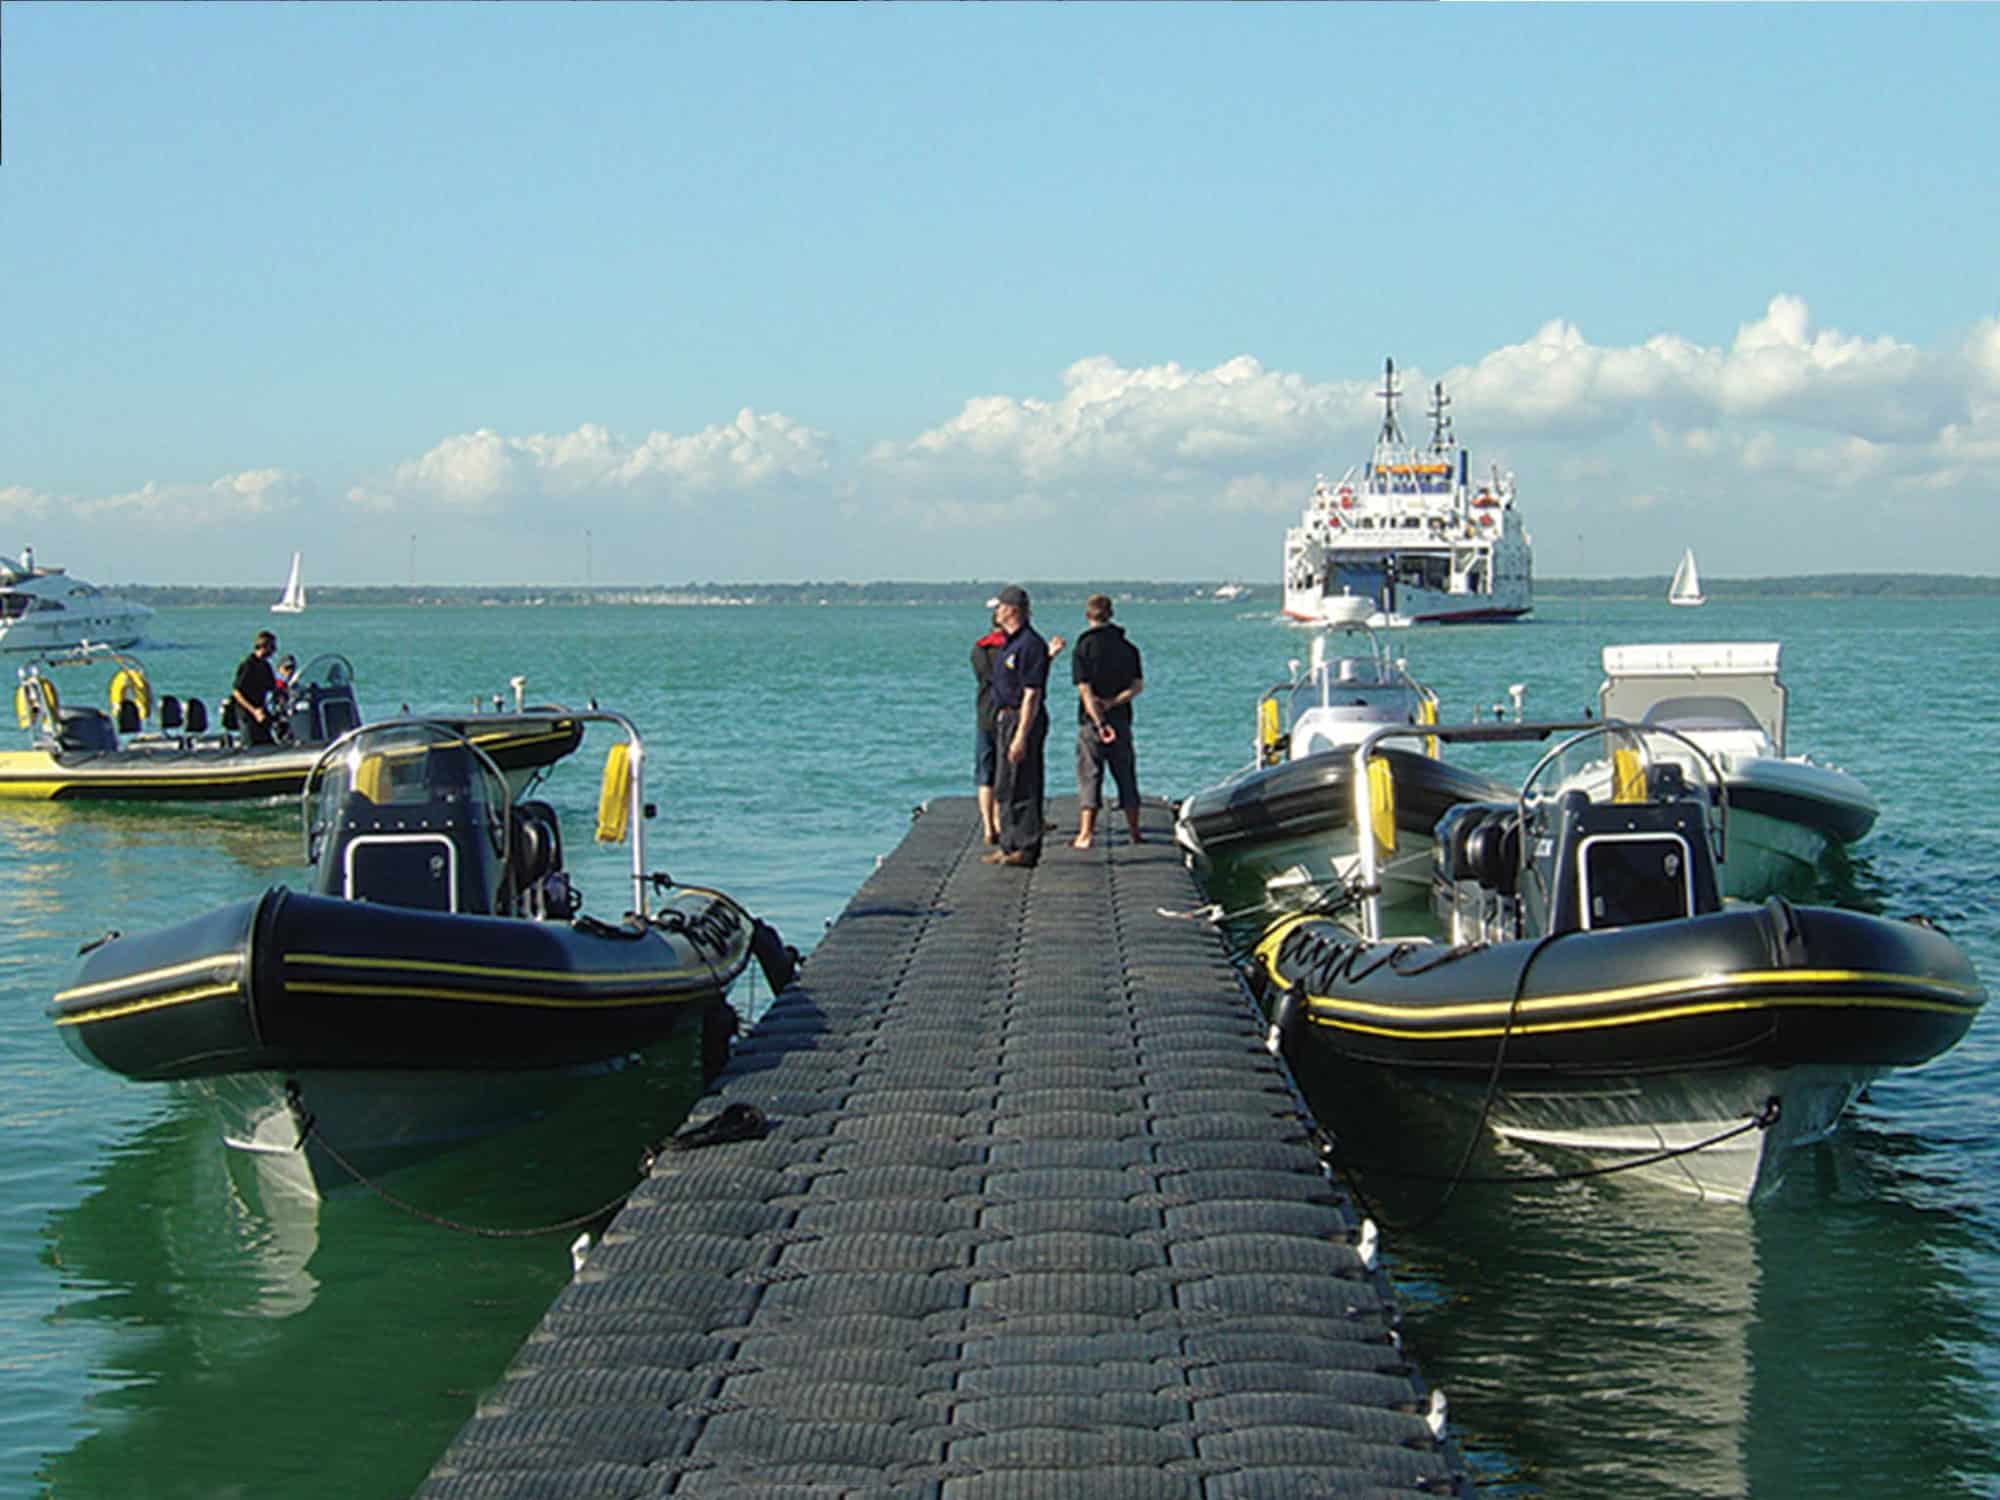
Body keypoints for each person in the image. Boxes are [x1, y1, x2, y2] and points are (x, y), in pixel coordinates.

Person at [973, 605, 1065, 846]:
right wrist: (1048, 658)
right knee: (1004, 778)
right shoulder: (1007, 647)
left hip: (1002, 716)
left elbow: (1028, 685)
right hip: (998, 716)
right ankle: (1002, 831)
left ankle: (1003, 831)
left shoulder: (1012, 646)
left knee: (1004, 777)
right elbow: (1018, 679)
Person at [1069, 593, 1145, 848]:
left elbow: (1085, 690)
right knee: (1125, 774)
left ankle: (1086, 834)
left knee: (1090, 773)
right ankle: (1134, 831)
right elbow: (1137, 686)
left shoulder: (1083, 647)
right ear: (1111, 614)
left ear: (1088, 615)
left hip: (1091, 721)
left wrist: (1099, 721)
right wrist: (1114, 703)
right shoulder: (1128, 648)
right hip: (1121, 718)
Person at [983, 585, 1050, 868]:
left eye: (999, 608)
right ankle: (1008, 843)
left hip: (1024, 717)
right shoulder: (1009, 643)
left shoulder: (1030, 644)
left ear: (1011, 610)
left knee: (1023, 781)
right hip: (1006, 716)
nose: (996, 613)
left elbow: (1032, 693)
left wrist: (1021, 735)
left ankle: (1026, 846)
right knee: (1005, 784)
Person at [231, 629, 281, 746]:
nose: (274, 650)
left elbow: (272, 687)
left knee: (268, 743)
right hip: (248, 714)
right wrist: (254, 711)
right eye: (271, 647)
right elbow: (237, 692)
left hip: (262, 712)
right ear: (263, 646)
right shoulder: (248, 665)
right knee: (251, 745)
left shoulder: (265, 666)